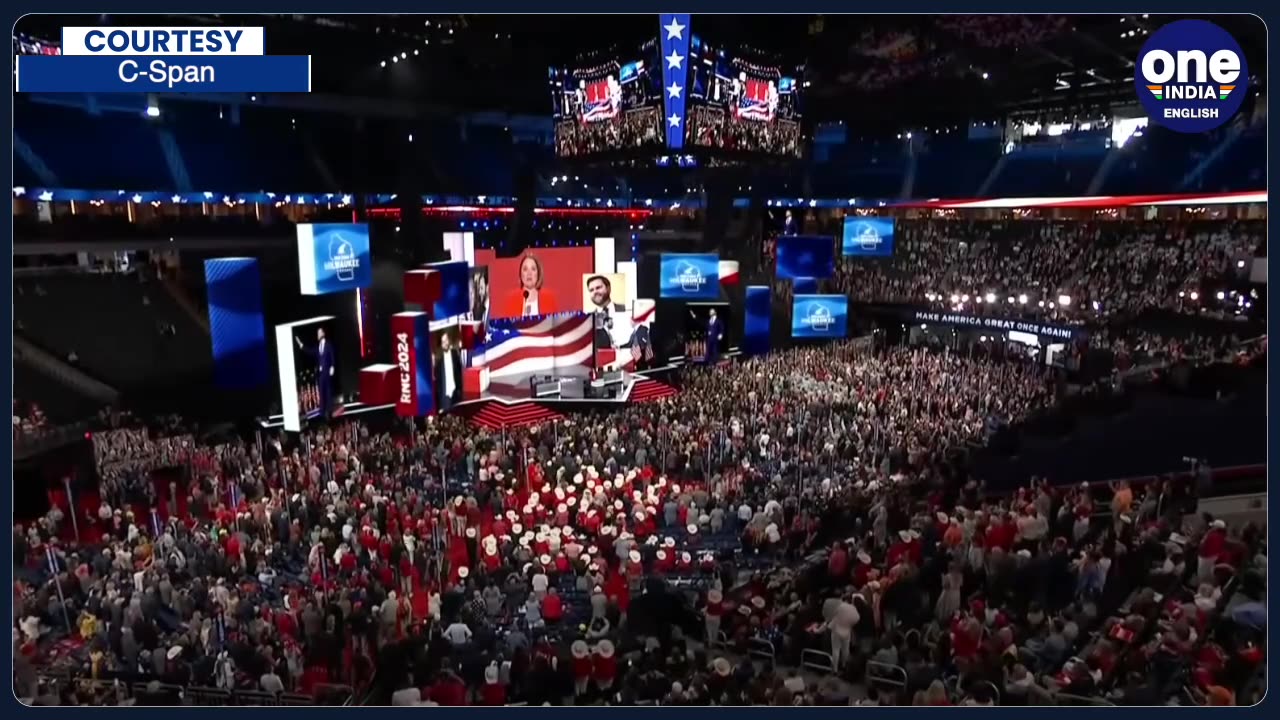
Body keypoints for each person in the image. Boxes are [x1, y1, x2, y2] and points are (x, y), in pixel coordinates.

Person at [295, 327, 335, 419]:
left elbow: (332, 354)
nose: (317, 335)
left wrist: (332, 366)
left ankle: (329, 410)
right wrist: (301, 345)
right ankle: (322, 411)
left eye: (319, 333)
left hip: (327, 371)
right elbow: (310, 351)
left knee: (328, 390)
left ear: (323, 334)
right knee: (321, 391)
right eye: (317, 333)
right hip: (321, 373)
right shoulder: (318, 347)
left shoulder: (328, 344)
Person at [435, 331, 464, 412]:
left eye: (446, 340)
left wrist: (460, 390)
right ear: (441, 344)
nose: (445, 343)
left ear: (449, 340)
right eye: (443, 342)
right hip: (445, 396)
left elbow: (459, 372)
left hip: (456, 393)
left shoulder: (455, 354)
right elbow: (438, 381)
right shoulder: (439, 360)